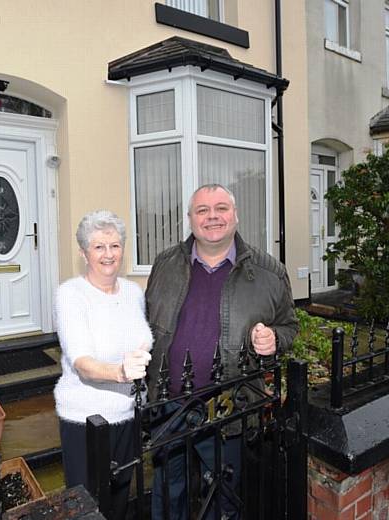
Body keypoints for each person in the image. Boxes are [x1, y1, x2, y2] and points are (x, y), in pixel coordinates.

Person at [145, 183, 299, 520]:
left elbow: (290, 327)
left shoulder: (269, 272)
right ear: (190, 219)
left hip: (229, 409)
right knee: (169, 496)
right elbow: (147, 325)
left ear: (236, 215)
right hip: (170, 405)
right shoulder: (165, 264)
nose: (212, 216)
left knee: (224, 498)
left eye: (221, 208)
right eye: (202, 210)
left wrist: (274, 339)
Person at [53, 210, 153, 520]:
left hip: (126, 414)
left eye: (115, 245)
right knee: (87, 507)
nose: (108, 254)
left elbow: (142, 341)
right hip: (86, 420)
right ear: (84, 253)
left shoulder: (134, 292)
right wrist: (121, 372)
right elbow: (82, 362)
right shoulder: (71, 295)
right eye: (98, 247)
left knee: (121, 498)